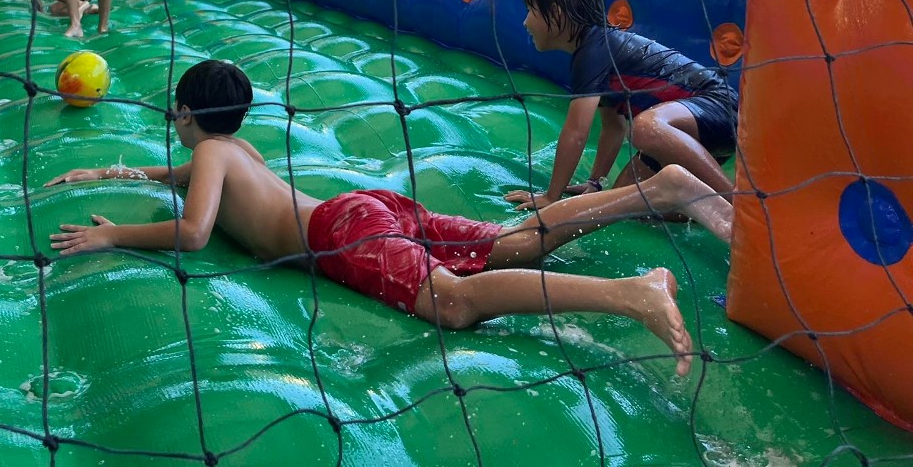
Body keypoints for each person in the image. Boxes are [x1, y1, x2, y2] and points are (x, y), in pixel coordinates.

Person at [49, 60, 735, 377]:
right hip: (367, 207)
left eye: (176, 117)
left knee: (455, 303)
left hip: (343, 236)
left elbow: (194, 232)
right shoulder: (232, 150)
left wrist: (113, 233)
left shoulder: (209, 157)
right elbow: (179, 176)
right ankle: (659, 188)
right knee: (514, 243)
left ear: (184, 115)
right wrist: (114, 172)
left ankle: (631, 294)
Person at [504, 0, 738, 213]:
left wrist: (551, 197)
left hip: (717, 109)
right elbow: (613, 127)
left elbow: (576, 132)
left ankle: (740, 205)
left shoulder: (594, 51)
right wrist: (595, 183)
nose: (525, 22)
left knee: (646, 128)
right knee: (627, 205)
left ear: (555, 13)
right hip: (689, 139)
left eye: (530, 10)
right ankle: (707, 208)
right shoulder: (597, 50)